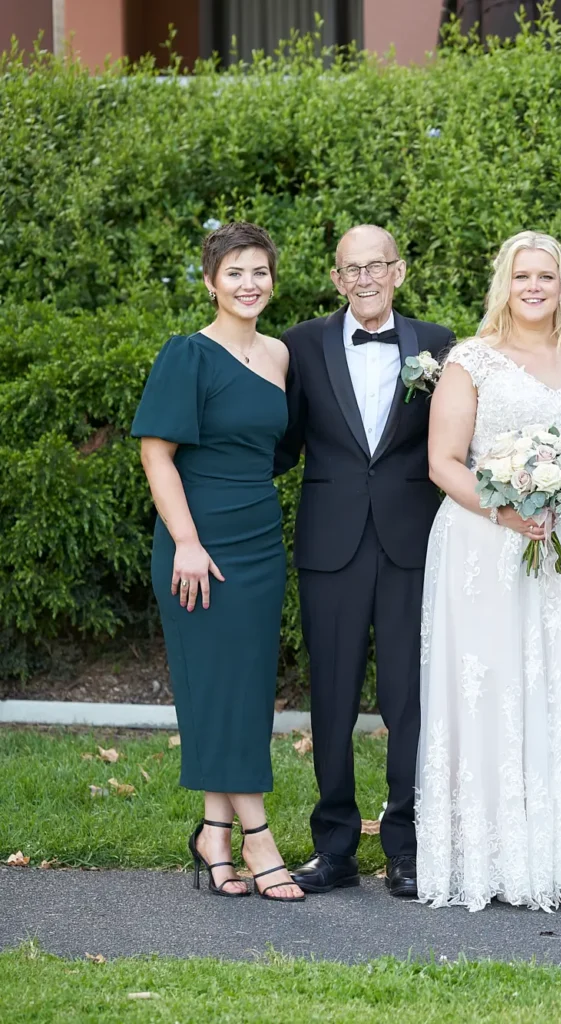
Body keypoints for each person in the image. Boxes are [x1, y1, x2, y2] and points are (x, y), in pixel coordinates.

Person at [414, 231, 561, 912]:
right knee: (500, 685)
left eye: (545, 276)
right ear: (504, 282)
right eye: (521, 275)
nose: (533, 286)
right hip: (487, 547)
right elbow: (443, 462)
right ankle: (502, 856)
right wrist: (509, 511)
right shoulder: (472, 360)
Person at [275, 226, 455, 899]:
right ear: (336, 278)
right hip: (332, 543)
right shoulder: (301, 344)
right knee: (332, 700)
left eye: (376, 266)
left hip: (412, 541)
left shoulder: (438, 343)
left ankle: (405, 847)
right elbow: (281, 440)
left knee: (410, 699)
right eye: (352, 269)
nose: (365, 279)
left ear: (398, 271)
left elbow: (455, 439)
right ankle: (335, 847)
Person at [132, 221, 304, 902]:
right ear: (210, 282)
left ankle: (213, 831)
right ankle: (258, 840)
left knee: (244, 690)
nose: (249, 283)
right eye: (234, 272)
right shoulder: (187, 356)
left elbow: (278, 448)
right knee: (216, 688)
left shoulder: (281, 355)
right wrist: (188, 542)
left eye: (259, 271)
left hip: (259, 539)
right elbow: (156, 453)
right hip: (195, 546)